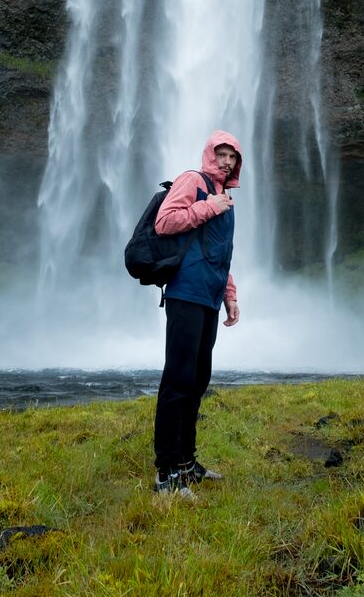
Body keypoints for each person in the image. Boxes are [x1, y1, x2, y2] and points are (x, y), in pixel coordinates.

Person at [150, 129, 242, 496]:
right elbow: (164, 221)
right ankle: (165, 473)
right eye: (221, 154)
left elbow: (220, 252)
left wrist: (230, 294)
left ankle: (187, 463)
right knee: (177, 380)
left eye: (232, 156)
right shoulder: (193, 181)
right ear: (209, 154)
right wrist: (208, 207)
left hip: (210, 298)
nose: (226, 161)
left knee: (197, 380)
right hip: (185, 294)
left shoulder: (225, 197)